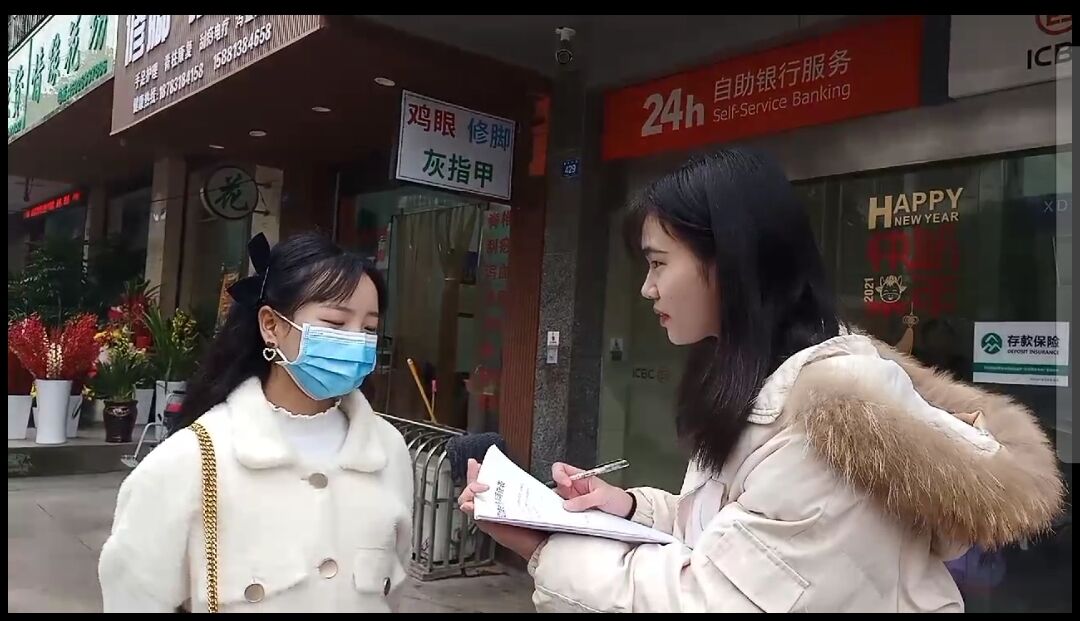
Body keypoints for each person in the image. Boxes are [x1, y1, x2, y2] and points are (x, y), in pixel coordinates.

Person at [458, 150, 1064, 613]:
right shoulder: (761, 381)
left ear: (731, 262)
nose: (647, 288)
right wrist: (632, 509)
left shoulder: (834, 421)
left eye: (659, 263)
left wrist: (546, 550)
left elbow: (717, 598)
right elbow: (734, 531)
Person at [99, 233, 413, 613]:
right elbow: (134, 597)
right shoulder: (193, 459)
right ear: (271, 325)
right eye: (335, 322)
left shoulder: (388, 450)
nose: (356, 342)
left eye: (369, 329)